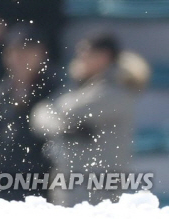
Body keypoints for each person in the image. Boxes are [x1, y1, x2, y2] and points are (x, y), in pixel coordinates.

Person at [31, 33, 149, 206]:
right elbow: (39, 115)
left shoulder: (117, 91)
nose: (79, 59)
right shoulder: (80, 87)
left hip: (98, 190)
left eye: (85, 53)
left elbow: (64, 111)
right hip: (73, 185)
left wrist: (55, 120)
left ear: (104, 57)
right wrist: (61, 127)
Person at [0, 24, 60, 201]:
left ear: (42, 54)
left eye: (27, 52)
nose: (21, 59)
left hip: (44, 179)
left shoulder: (55, 89)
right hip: (8, 179)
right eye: (15, 52)